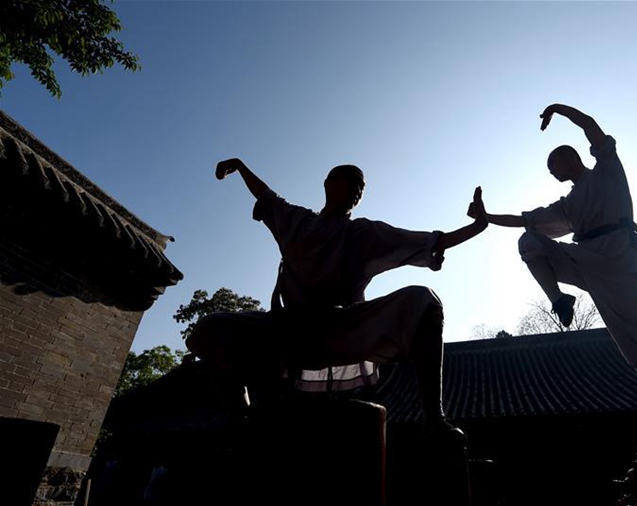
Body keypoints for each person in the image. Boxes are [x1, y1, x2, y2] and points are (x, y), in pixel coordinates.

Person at [186, 159, 488, 437]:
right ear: (328, 184)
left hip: (342, 327)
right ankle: (244, 422)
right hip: (286, 328)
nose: (357, 192)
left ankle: (434, 418)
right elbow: (266, 196)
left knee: (424, 301)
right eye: (352, 183)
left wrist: (478, 225)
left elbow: (432, 241)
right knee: (208, 329)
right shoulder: (297, 222)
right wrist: (239, 166)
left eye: (361, 189)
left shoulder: (364, 233)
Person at [468, 103, 637, 464]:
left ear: (571, 160)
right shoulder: (568, 206)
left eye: (554, 168)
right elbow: (528, 221)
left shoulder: (608, 172)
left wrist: (559, 109)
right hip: (583, 259)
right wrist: (485, 216)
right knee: (530, 243)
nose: (553, 174)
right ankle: (559, 299)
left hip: (618, 260)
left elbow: (591, 128)